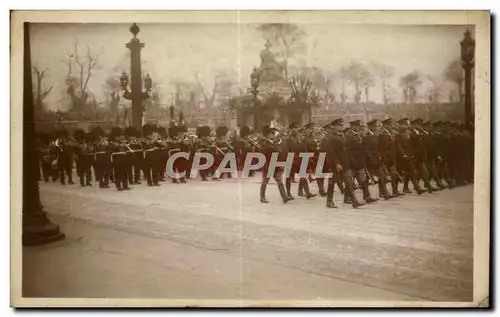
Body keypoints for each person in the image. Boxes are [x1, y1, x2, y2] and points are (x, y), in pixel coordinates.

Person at [345, 120, 378, 204]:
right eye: (357, 126)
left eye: (359, 126)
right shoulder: (348, 136)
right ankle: (347, 198)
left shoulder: (358, 135)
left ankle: (367, 197)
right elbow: (347, 150)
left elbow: (362, 147)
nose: (358, 128)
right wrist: (351, 160)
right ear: (352, 126)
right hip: (352, 162)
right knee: (349, 181)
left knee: (363, 180)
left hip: (360, 161)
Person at [260, 125, 293, 204]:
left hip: (275, 165)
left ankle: (284, 197)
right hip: (268, 165)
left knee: (279, 180)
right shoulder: (265, 143)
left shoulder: (273, 143)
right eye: (272, 134)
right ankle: (262, 197)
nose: (274, 135)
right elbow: (274, 151)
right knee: (265, 181)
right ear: (268, 135)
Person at [394, 118, 426, 195]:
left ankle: (417, 188)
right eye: (404, 125)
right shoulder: (397, 135)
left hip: (408, 156)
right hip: (400, 157)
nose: (406, 126)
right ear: (400, 125)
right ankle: (395, 190)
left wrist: (411, 154)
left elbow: (410, 146)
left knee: (411, 172)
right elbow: (399, 146)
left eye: (406, 124)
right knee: (398, 173)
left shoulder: (407, 134)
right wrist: (404, 155)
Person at [363, 119, 393, 200]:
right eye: (374, 126)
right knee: (366, 179)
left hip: (377, 159)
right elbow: (366, 149)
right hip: (370, 161)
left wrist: (380, 156)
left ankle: (385, 193)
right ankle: (366, 195)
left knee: (382, 176)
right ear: (369, 127)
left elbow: (379, 148)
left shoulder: (376, 135)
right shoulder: (366, 137)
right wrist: (370, 158)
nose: (376, 127)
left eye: (376, 126)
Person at [409, 118, 438, 192]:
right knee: (423, 171)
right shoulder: (412, 134)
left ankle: (419, 187)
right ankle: (428, 187)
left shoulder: (420, 133)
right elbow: (411, 146)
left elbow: (423, 146)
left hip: (421, 155)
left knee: (420, 171)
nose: (420, 126)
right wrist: (412, 155)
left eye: (421, 125)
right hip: (416, 156)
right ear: (415, 125)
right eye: (419, 125)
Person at [379, 118, 404, 197]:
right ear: (385, 125)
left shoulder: (390, 133)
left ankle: (395, 191)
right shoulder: (382, 134)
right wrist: (383, 158)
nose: (391, 126)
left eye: (390, 124)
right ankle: (382, 192)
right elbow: (382, 147)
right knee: (383, 176)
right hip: (385, 158)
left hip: (391, 157)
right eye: (389, 124)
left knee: (393, 175)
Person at [108, 127, 131, 191]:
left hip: (124, 159)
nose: (122, 137)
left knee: (125, 172)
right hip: (117, 160)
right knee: (118, 173)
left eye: (122, 136)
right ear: (116, 137)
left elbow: (127, 150)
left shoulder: (123, 143)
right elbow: (111, 150)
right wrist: (119, 146)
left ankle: (125, 185)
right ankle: (118, 186)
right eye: (121, 136)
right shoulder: (112, 143)